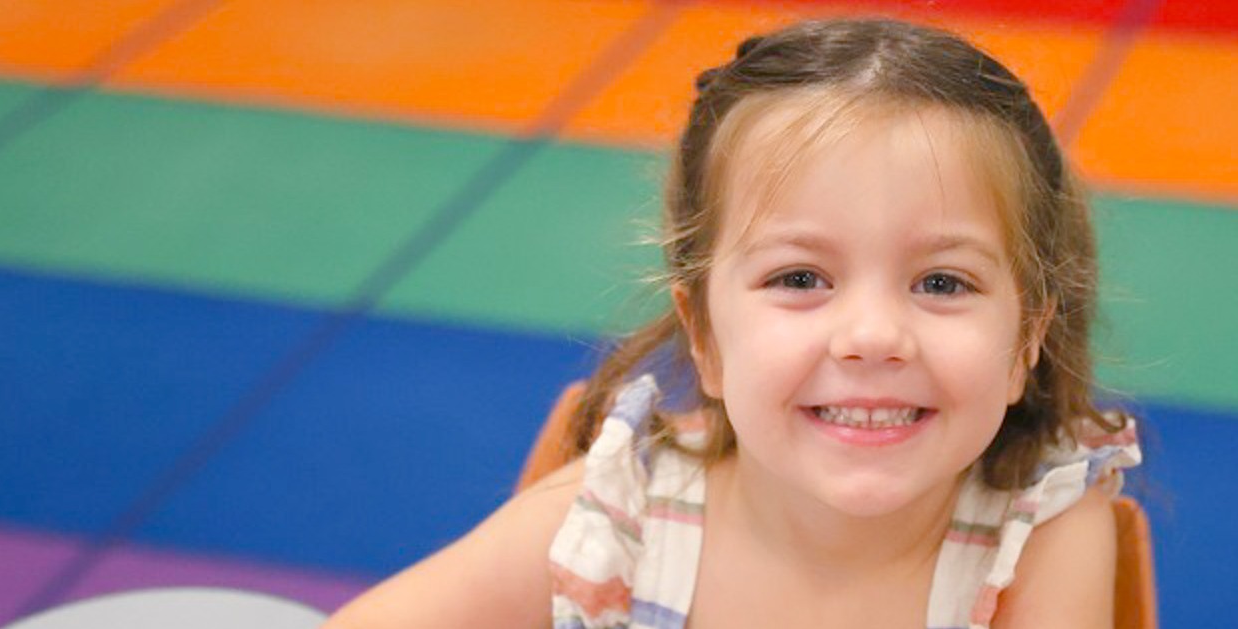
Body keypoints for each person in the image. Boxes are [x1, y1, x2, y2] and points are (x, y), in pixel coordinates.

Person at [324, 17, 1141, 629]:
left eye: (940, 281)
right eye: (799, 277)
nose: (871, 334)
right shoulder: (620, 510)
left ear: (1024, 340)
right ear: (705, 339)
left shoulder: (1041, 535)